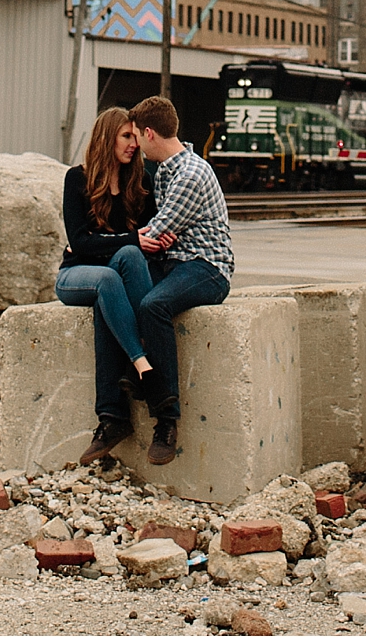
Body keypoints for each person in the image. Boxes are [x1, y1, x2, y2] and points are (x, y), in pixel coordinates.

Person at [124, 91, 233, 462]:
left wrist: (152, 237)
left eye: (137, 137)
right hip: (176, 262)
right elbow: (156, 234)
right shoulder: (166, 170)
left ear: (150, 134)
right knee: (122, 288)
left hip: (207, 267)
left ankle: (166, 418)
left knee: (154, 304)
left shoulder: (190, 173)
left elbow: (157, 231)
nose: (136, 146)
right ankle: (132, 376)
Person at [56, 106, 157, 459]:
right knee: (110, 273)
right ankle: (141, 360)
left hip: (108, 277)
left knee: (120, 269)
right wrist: (128, 239)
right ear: (107, 137)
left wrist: (118, 241)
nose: (134, 144)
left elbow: (145, 240)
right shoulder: (77, 180)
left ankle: (112, 417)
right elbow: (80, 244)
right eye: (127, 136)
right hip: (74, 275)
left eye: (136, 137)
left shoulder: (138, 184)